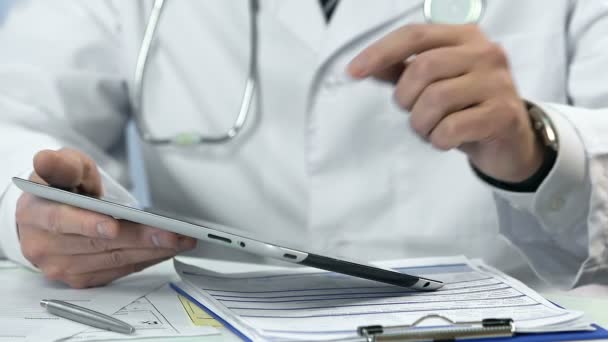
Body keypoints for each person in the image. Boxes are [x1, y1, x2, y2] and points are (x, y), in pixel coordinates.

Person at [0, 0, 606, 289]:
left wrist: (539, 148)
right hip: (212, 322)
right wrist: (40, 213)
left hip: (510, 320)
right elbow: (14, 118)